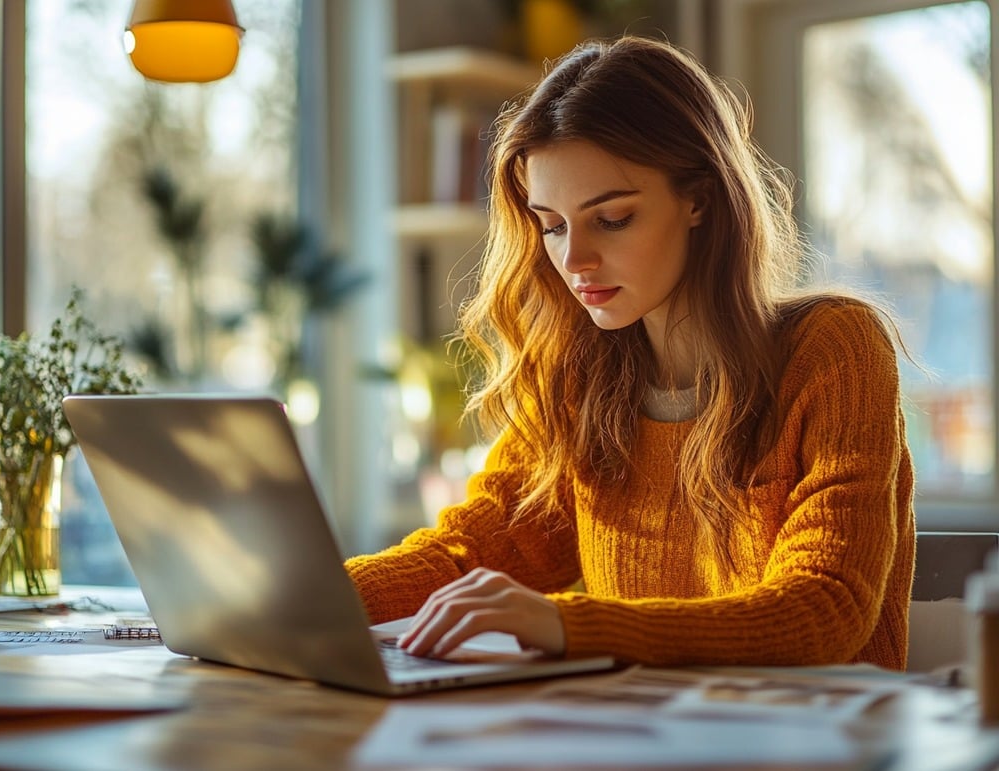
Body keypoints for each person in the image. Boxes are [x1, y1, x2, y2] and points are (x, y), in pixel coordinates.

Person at [345, 35, 915, 670]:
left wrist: (567, 623)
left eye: (612, 218)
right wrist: (298, 598)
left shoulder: (834, 350)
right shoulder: (579, 379)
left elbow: (823, 610)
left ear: (699, 199)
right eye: (552, 225)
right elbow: (472, 549)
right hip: (643, 743)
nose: (574, 259)